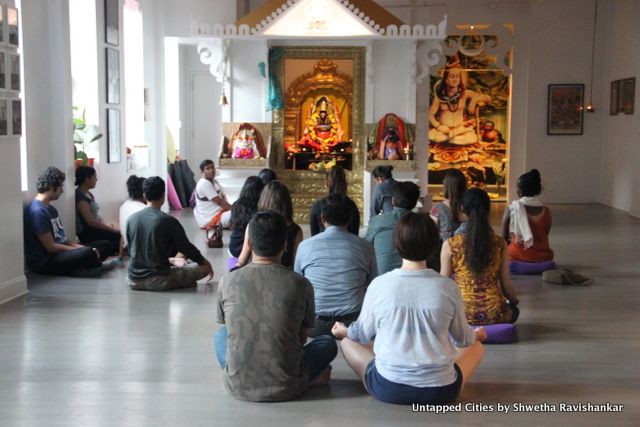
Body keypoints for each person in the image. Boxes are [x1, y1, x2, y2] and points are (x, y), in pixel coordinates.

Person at [332, 212, 486, 405]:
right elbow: (463, 340)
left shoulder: (380, 285)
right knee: (476, 347)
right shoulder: (448, 287)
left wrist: (344, 331)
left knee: (347, 341)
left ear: (397, 244)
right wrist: (478, 336)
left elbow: (361, 334)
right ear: (433, 245)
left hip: (388, 388)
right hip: (440, 392)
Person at [215, 211, 338, 402]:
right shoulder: (301, 284)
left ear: (249, 244)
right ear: (285, 245)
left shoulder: (227, 281)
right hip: (287, 385)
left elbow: (229, 328)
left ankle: (241, 373)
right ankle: (307, 380)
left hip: (237, 386)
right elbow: (301, 339)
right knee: (327, 343)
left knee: (221, 335)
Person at [295, 193, 377, 338]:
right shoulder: (365, 247)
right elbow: (373, 284)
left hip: (315, 323)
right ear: (350, 218)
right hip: (352, 322)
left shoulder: (304, 246)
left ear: (322, 219)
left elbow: (298, 286)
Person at [441, 188, 519, 325]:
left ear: (462, 209)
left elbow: (443, 284)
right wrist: (513, 301)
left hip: (461, 315)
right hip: (495, 314)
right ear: (488, 209)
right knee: (514, 311)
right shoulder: (500, 244)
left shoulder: (451, 245)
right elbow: (506, 287)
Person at [127, 176, 213, 291]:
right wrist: (206, 263)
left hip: (133, 280)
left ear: (144, 196)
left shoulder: (131, 219)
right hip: (158, 280)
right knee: (203, 269)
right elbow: (187, 248)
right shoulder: (168, 220)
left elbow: (130, 250)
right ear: (163, 196)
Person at [24, 166, 113, 277]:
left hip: (60, 254)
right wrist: (81, 251)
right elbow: (51, 247)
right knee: (88, 253)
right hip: (46, 261)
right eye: (60, 186)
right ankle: (89, 266)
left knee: (105, 245)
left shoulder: (51, 209)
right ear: (52, 187)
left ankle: (87, 265)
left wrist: (81, 248)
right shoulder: (37, 212)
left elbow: (63, 239)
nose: (62, 190)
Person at [235, 180, 303, 269]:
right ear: (287, 203)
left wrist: (233, 271)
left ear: (263, 200)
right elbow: (296, 263)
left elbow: (241, 260)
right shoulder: (296, 230)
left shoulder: (253, 225)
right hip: (283, 276)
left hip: (257, 274)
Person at [428, 55, 491, 146]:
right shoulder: (440, 95)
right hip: (443, 131)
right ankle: (450, 138)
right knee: (433, 136)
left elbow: (487, 98)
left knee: (473, 138)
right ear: (446, 80)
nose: (455, 79)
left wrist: (474, 100)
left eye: (457, 76)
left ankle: (450, 139)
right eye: (452, 76)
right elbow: (430, 115)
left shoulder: (464, 93)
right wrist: (438, 126)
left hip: (460, 130)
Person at [365, 181, 420, 275]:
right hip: (415, 275)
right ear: (415, 203)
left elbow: (366, 247)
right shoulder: (422, 223)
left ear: (393, 200)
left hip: (380, 276)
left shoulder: (377, 221)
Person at [502, 169, 554, 263]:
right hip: (543, 257)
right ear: (538, 190)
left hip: (517, 256)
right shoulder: (546, 211)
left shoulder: (511, 209)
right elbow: (544, 236)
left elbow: (504, 240)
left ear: (519, 192)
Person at [75, 166, 121, 257]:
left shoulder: (88, 194)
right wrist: (111, 229)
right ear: (87, 179)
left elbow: (96, 216)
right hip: (89, 233)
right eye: (94, 177)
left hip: (96, 229)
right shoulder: (79, 196)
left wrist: (107, 226)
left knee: (119, 237)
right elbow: (91, 221)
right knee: (119, 237)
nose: (96, 179)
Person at [428, 169, 467, 271]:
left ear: (445, 186)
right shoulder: (469, 207)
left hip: (444, 261)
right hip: (468, 258)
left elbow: (431, 237)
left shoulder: (437, 209)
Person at [309, 166, 360, 236]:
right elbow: (355, 234)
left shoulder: (317, 206)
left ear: (326, 183)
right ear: (345, 183)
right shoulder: (351, 205)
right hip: (346, 245)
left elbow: (314, 236)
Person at [228, 176, 264, 259]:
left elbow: (231, 225)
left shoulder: (236, 204)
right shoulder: (260, 207)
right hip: (251, 252)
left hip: (233, 249)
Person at [193, 159, 232, 230]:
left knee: (240, 209)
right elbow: (219, 201)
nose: (211, 170)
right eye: (207, 168)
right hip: (211, 218)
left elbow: (223, 198)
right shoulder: (204, 183)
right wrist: (234, 209)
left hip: (220, 213)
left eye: (212, 167)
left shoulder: (214, 181)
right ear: (202, 172)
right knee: (239, 214)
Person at [118, 175, 147, 252]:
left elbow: (122, 233)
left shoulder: (124, 206)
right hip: (143, 252)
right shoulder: (144, 209)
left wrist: (120, 256)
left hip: (129, 249)